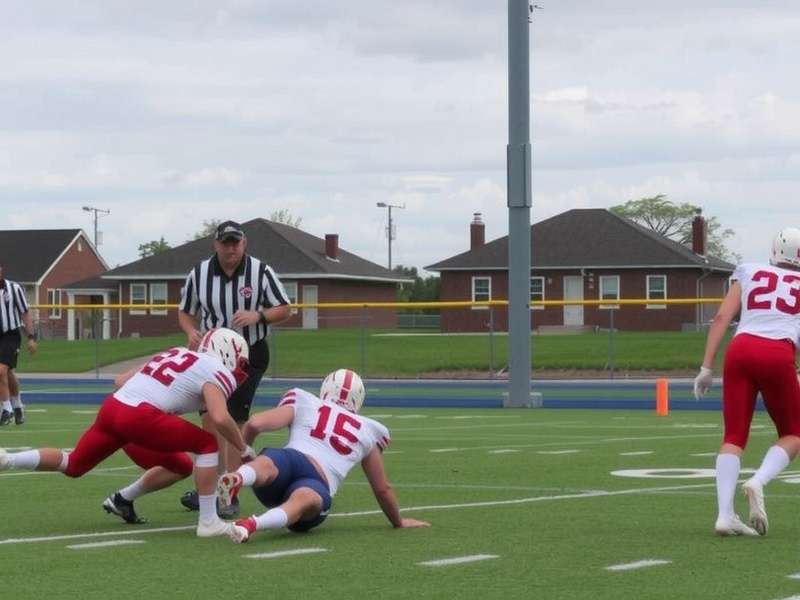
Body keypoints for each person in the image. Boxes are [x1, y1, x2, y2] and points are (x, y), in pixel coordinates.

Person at [0, 327, 256, 537]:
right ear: (226, 352)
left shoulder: (178, 352)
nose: (240, 370)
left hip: (114, 408)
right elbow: (220, 417)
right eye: (240, 362)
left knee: (74, 463)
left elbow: (120, 380)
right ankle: (209, 521)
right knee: (207, 444)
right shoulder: (216, 369)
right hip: (140, 417)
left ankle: (8, 459)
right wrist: (244, 450)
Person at [215, 368, 430, 543]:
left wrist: (244, 457)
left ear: (326, 388)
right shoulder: (368, 429)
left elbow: (254, 423)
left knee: (269, 462)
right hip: (318, 480)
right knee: (305, 499)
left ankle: (239, 478)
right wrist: (398, 521)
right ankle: (252, 525)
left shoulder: (305, 400)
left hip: (290, 461)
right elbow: (382, 489)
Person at [178, 220, 291, 516]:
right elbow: (185, 312)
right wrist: (190, 331)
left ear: (244, 244)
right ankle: (208, 488)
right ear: (215, 244)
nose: (231, 248)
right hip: (211, 357)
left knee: (233, 420)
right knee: (209, 422)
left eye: (235, 243)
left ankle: (230, 489)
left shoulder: (261, 271)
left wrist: (259, 316)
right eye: (225, 243)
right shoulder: (199, 273)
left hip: (247, 354)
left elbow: (285, 308)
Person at [694, 227, 800, 537]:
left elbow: (721, 318)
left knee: (734, 436)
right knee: (793, 432)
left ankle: (725, 515)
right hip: (777, 352)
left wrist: (706, 367)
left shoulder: (750, 270)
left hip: (740, 350)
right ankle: (758, 481)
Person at [0, 264, 37, 426]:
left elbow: (25, 312)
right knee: (6, 373)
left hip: (10, 334)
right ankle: (17, 405)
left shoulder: (14, 288)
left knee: (1, 369)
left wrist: (31, 337)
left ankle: (6, 409)